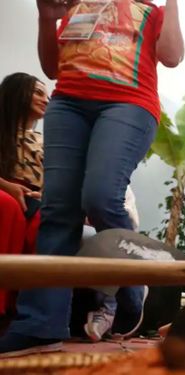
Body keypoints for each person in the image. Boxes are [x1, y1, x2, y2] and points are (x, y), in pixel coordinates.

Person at [0, 0, 184, 357]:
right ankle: (40, 326)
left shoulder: (150, 10)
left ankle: (133, 284)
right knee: (56, 212)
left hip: (129, 102)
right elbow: (52, 68)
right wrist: (47, 18)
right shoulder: (76, 5)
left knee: (100, 196)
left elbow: (173, 56)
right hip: (68, 103)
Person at [0, 73, 48, 331]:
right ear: (17, 93)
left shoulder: (45, 141)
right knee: (6, 206)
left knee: (46, 224)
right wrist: (7, 186)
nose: (46, 99)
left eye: (47, 94)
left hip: (36, 200)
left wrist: (47, 195)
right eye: (39, 92)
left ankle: (27, 317)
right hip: (4, 190)